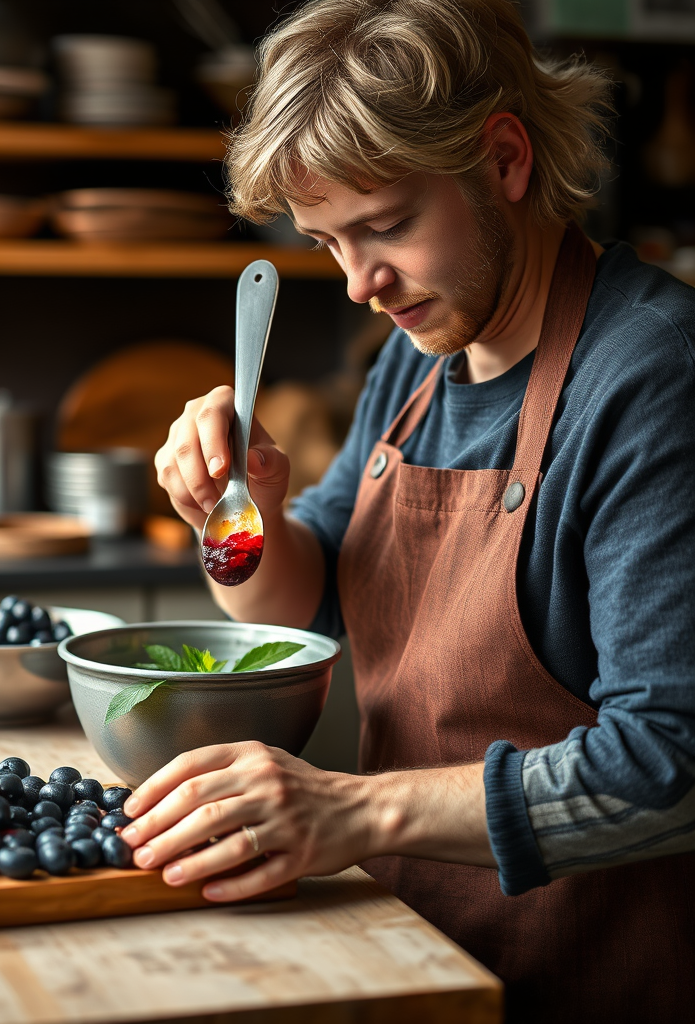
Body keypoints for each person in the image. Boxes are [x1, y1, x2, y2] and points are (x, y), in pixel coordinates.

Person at [118, 1, 695, 1020]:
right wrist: (233, 514)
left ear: (504, 160)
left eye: (385, 226)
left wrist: (351, 807)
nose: (358, 283)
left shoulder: (651, 375)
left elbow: (669, 765)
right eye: (327, 241)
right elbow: (313, 602)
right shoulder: (418, 360)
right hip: (418, 959)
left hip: (591, 976)